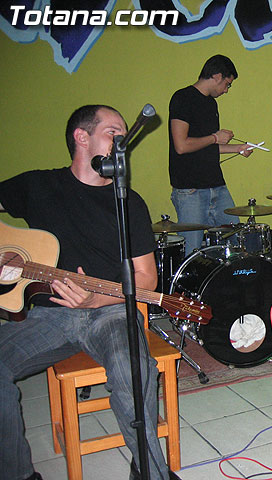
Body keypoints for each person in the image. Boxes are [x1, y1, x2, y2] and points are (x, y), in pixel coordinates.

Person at [0, 105, 179, 480]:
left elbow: (146, 279)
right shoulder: (37, 186)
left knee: (134, 370)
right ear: (82, 137)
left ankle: (150, 472)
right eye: (114, 132)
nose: (122, 142)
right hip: (47, 315)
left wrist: (96, 299)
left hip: (109, 312)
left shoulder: (129, 202)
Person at [169, 54, 253, 255]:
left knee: (237, 240)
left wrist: (239, 148)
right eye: (227, 84)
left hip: (216, 184)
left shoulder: (211, 104)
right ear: (216, 76)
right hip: (190, 189)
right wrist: (216, 137)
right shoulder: (182, 98)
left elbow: (206, 147)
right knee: (193, 250)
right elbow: (181, 145)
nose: (226, 90)